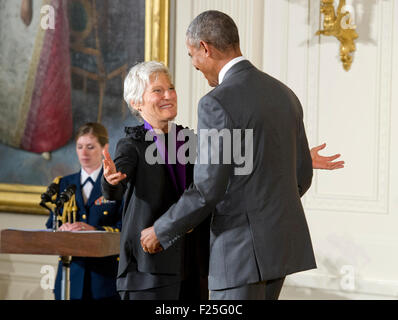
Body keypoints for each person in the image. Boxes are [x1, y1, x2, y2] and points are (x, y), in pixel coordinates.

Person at [140, 10, 339, 300]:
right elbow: (301, 174)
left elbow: (207, 189)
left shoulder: (216, 103)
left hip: (239, 251)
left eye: (191, 54)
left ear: (205, 48)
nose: (194, 64)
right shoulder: (284, 94)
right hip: (280, 249)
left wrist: (161, 230)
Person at [101, 61, 209, 300]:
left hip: (193, 265)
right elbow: (116, 188)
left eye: (170, 88)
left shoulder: (190, 140)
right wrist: (110, 180)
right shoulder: (131, 144)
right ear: (136, 103)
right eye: (157, 90)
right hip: (148, 269)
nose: (168, 95)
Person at [46, 122, 122, 300]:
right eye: (80, 147)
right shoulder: (64, 184)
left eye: (90, 147)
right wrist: (61, 229)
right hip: (70, 276)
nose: (84, 153)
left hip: (105, 280)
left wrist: (94, 231)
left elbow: (124, 227)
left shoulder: (116, 185)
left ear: (105, 148)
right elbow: (51, 224)